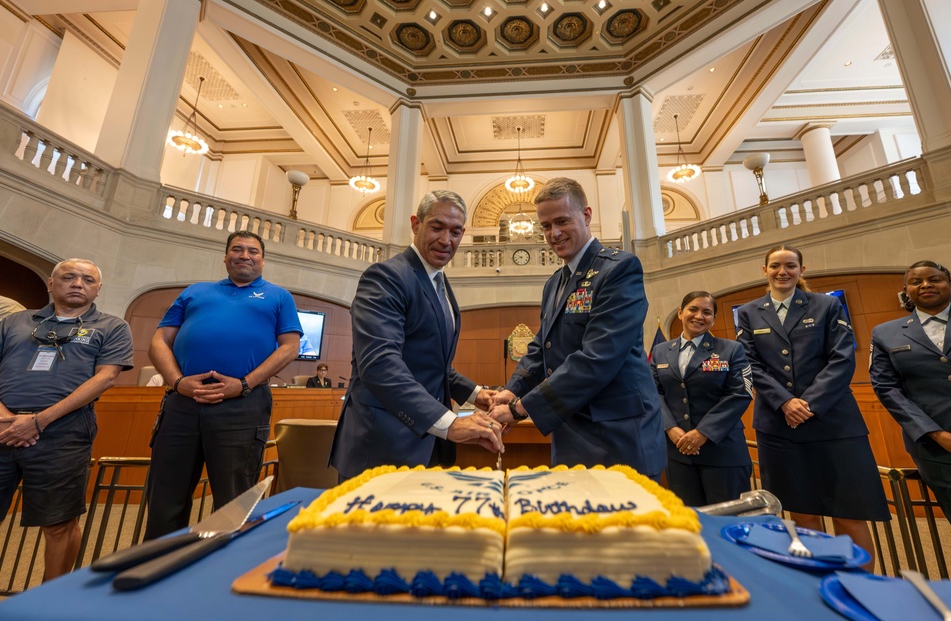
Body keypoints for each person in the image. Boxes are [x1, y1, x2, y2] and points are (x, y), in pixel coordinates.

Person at [488, 178, 666, 477]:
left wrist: (521, 408)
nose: (554, 234)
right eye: (545, 226)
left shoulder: (619, 269)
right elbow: (540, 347)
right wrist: (511, 389)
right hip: (570, 433)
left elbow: (598, 357)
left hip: (618, 437)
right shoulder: (554, 283)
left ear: (586, 215)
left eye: (562, 221)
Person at [329, 191, 502, 481]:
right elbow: (380, 365)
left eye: (455, 231)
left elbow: (433, 364)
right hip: (382, 446)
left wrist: (475, 394)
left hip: (427, 444)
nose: (446, 240)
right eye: (437, 227)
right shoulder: (386, 277)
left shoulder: (439, 281)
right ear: (415, 224)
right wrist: (450, 424)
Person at [145, 231, 302, 539]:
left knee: (234, 500)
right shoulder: (194, 292)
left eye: (253, 251)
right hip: (183, 404)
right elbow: (159, 341)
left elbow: (289, 347)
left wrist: (244, 384)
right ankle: (158, 568)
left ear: (263, 259)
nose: (245, 255)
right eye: (237, 249)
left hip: (242, 406)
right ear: (226, 257)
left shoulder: (279, 296)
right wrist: (177, 383)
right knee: (166, 497)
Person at [736, 245, 887, 563]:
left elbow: (842, 360)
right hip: (779, 427)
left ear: (802, 270)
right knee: (802, 515)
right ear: (764, 270)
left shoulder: (828, 306)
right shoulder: (749, 313)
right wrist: (785, 403)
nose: (783, 272)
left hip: (833, 423)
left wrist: (809, 404)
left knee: (849, 515)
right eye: (775, 266)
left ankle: (863, 586)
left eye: (790, 265)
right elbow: (750, 364)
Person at [870, 260, 951, 597]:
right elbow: (888, 390)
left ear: (950, 284)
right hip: (943, 455)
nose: (925, 285)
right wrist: (940, 436)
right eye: (916, 281)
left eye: (935, 279)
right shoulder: (886, 333)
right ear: (907, 291)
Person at [0, 259, 133, 579]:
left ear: (98, 290)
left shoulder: (112, 327)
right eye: (69, 277)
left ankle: (50, 605)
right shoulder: (13, 322)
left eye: (88, 280)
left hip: (64, 430)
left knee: (58, 522)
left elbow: (105, 378)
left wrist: (39, 421)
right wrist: (4, 418)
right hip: (2, 427)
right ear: (50, 283)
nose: (78, 283)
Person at [651, 291, 753, 505]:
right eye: (693, 309)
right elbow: (652, 392)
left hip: (722, 450)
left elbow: (740, 393)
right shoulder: (660, 351)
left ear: (713, 319)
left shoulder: (731, 349)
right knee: (690, 520)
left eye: (707, 312)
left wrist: (703, 432)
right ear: (680, 313)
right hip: (678, 453)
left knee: (728, 521)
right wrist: (671, 429)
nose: (699, 316)